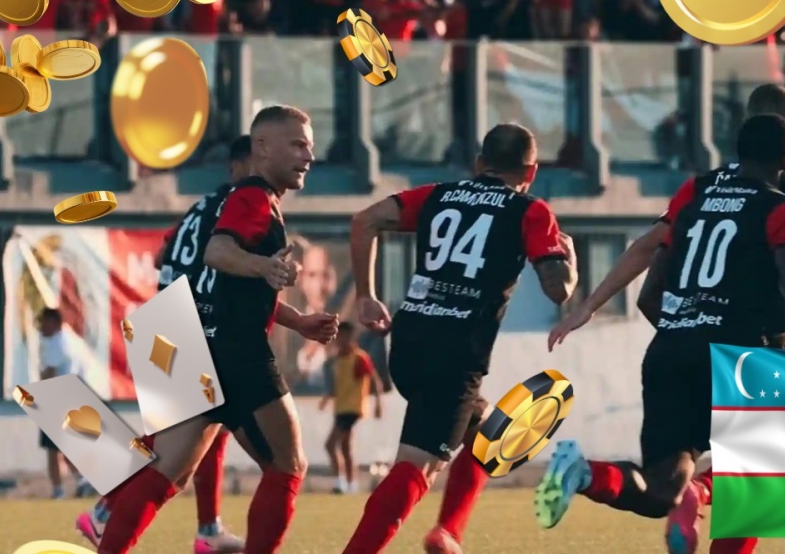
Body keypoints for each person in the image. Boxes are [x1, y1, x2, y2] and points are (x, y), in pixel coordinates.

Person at [548, 83, 785, 554]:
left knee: (664, 489)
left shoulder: (696, 197)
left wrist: (679, 327)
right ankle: (702, 492)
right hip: (747, 359)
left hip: (670, 352)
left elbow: (650, 291)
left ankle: (585, 473)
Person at [93, 106, 339, 554]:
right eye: (298, 145)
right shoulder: (253, 197)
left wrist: (298, 320)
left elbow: (217, 276)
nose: (308, 156)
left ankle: (111, 529)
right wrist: (265, 266)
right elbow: (218, 253)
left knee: (167, 471)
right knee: (288, 466)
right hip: (236, 350)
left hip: (195, 337)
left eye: (310, 147)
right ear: (261, 148)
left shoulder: (222, 202)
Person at [341, 123, 578, 554]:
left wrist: (365, 295)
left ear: (480, 163)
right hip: (456, 350)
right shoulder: (530, 211)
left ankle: (448, 532)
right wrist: (572, 266)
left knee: (487, 433)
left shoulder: (438, 195)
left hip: (408, 339)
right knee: (418, 466)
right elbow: (558, 289)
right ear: (532, 171)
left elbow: (365, 220)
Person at [76, 135, 254, 553]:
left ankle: (208, 528)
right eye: (255, 163)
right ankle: (104, 512)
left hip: (168, 321)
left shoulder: (203, 206)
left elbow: (160, 258)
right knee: (174, 446)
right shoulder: (241, 206)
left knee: (206, 432)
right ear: (237, 166)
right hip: (186, 325)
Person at [319, 321, 383, 494]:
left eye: (344, 336)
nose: (340, 340)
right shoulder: (338, 359)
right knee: (345, 447)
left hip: (353, 408)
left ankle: (340, 483)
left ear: (350, 337)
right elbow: (336, 386)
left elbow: (375, 381)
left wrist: (378, 404)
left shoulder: (359, 357)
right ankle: (351, 485)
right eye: (338, 337)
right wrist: (326, 399)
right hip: (341, 408)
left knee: (330, 444)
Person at [36, 307, 94, 499]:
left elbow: (49, 374)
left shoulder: (56, 342)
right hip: (73, 397)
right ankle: (83, 481)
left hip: (57, 398)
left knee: (52, 450)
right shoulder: (72, 339)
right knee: (66, 445)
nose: (41, 326)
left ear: (54, 323)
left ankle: (58, 491)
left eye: (44, 322)